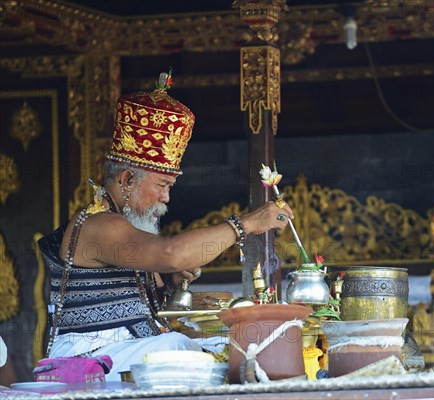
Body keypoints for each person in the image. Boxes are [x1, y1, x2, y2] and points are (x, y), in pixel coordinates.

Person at [38, 72, 293, 380]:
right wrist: (246, 224)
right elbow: (173, 253)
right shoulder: (99, 225)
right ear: (126, 179)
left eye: (170, 186)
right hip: (89, 363)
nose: (166, 198)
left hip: (121, 356)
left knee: (217, 347)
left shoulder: (120, 224)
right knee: (183, 350)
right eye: (161, 184)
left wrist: (167, 282)